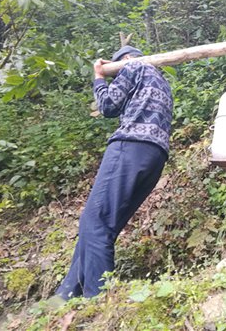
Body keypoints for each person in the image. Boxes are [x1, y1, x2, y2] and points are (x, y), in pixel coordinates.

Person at [55, 45, 173, 300]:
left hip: (130, 148)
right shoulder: (161, 81)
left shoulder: (132, 66)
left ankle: (98, 300)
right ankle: (66, 294)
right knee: (99, 226)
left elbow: (108, 106)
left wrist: (99, 77)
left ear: (126, 60)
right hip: (155, 158)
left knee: (95, 222)